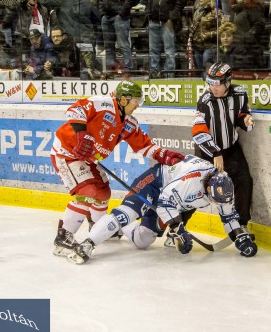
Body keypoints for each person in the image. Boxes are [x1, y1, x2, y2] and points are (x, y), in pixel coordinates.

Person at [51, 80, 185, 258]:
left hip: (90, 159)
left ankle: (97, 226)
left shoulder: (129, 122)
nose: (138, 105)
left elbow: (145, 146)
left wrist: (164, 155)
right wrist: (81, 133)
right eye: (135, 101)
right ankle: (63, 238)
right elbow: (75, 110)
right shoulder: (103, 104)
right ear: (123, 100)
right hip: (67, 153)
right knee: (88, 191)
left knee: (103, 194)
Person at [65, 155, 258, 264]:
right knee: (127, 213)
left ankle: (119, 226)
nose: (215, 202)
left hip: (170, 197)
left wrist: (239, 237)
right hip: (155, 183)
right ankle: (87, 244)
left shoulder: (223, 186)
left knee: (143, 240)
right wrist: (178, 229)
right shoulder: (192, 183)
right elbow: (165, 200)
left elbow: (228, 215)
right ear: (207, 187)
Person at [192, 62, 254, 229]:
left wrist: (245, 120)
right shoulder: (205, 101)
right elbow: (199, 132)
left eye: (218, 84)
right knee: (198, 189)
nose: (214, 88)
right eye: (210, 83)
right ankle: (178, 225)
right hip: (208, 151)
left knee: (243, 180)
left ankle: (242, 224)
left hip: (231, 148)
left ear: (228, 82)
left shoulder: (240, 94)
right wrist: (215, 153)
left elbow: (241, 114)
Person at [147, 0, 184, 78]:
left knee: (169, 50)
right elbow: (147, 2)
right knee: (153, 50)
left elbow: (180, 2)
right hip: (153, 21)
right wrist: (148, 16)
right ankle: (154, 73)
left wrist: (171, 18)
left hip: (166, 22)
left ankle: (169, 75)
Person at [189, 0, 218, 71]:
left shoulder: (215, 13)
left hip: (209, 46)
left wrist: (207, 34)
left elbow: (220, 30)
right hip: (197, 46)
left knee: (208, 70)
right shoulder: (197, 11)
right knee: (200, 71)